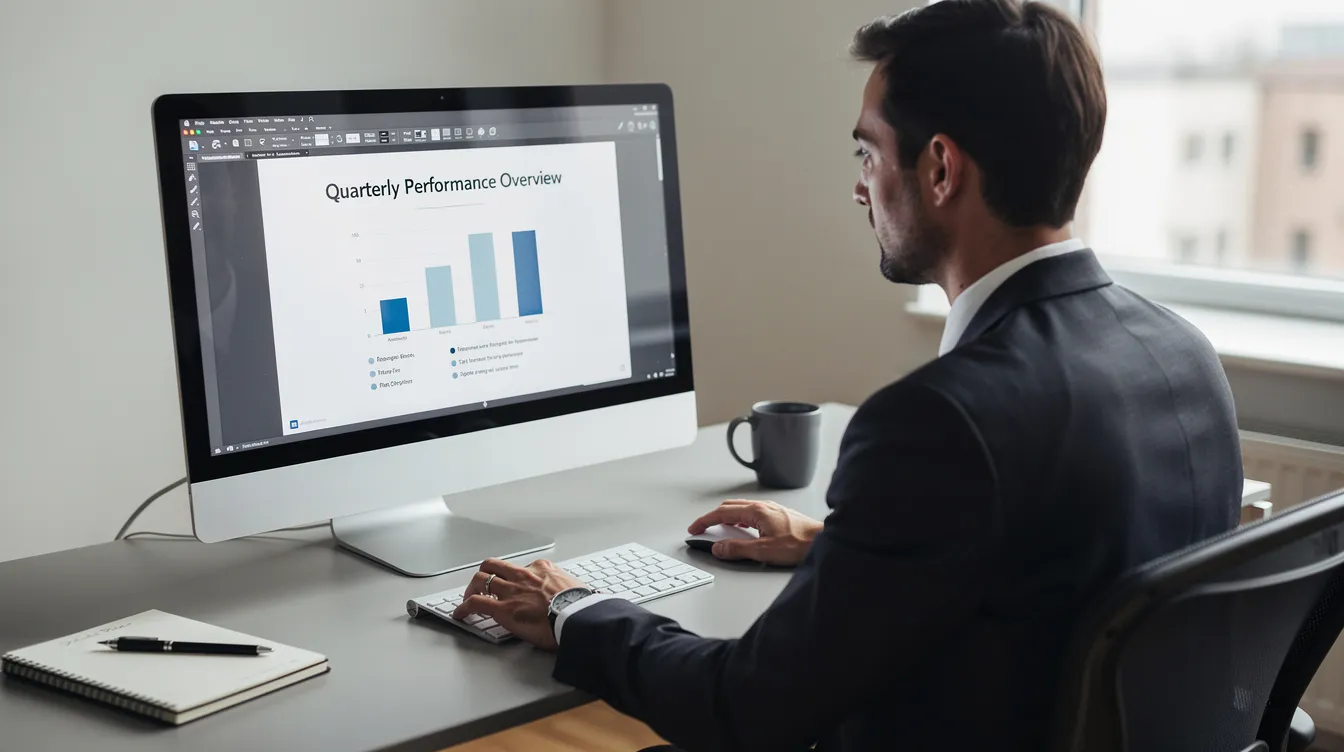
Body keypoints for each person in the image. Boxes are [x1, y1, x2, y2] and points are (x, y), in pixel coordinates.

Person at [451, 1, 1243, 749]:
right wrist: (847, 551)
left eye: (867, 151)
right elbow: (1056, 568)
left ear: (940, 169)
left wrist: (573, 608)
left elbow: (744, 709)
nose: (858, 186)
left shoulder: (942, 423)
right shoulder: (1181, 353)